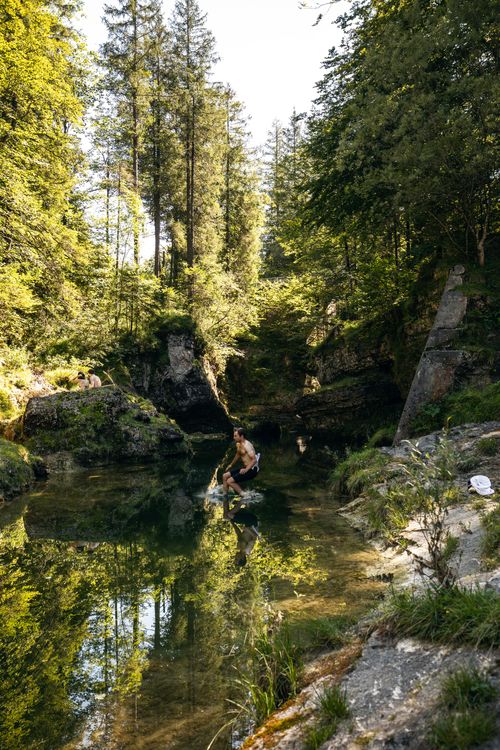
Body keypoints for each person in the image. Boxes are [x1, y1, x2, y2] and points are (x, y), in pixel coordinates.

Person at [223, 427, 260, 515]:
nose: (234, 437)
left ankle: (244, 495)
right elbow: (238, 454)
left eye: (235, 436)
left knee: (229, 481)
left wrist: (246, 470)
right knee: (225, 476)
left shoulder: (247, 445)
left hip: (252, 470)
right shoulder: (238, 444)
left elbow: (254, 460)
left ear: (241, 436)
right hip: (245, 468)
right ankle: (225, 497)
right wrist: (231, 465)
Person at [224, 499, 260, 566]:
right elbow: (255, 537)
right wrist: (247, 529)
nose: (235, 557)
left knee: (226, 516)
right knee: (229, 514)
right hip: (252, 522)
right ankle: (242, 501)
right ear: (242, 558)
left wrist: (231, 522)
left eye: (235, 559)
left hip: (247, 523)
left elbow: (238, 533)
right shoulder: (247, 550)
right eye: (236, 559)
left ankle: (225, 497)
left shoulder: (239, 547)